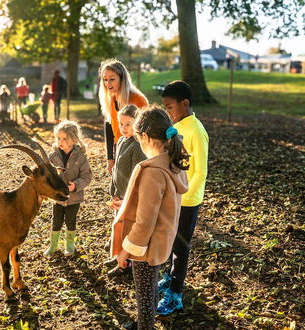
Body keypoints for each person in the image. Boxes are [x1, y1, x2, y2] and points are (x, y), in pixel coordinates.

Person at [110, 106, 189, 330]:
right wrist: (126, 204)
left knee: (144, 297)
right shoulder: (172, 161)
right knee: (152, 289)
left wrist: (127, 250)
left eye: (138, 138)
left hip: (145, 247)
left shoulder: (152, 171)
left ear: (144, 137)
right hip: (162, 241)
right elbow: (158, 206)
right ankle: (146, 322)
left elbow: (145, 222)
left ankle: (145, 326)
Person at [156, 80, 209, 316]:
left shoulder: (196, 131)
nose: (168, 113)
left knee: (181, 247)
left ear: (184, 104)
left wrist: (185, 195)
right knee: (171, 242)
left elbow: (200, 171)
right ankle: (169, 278)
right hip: (173, 198)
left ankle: (175, 295)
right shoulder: (178, 128)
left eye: (170, 108)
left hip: (187, 201)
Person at [105, 104, 146, 277]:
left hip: (129, 198)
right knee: (119, 228)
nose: (124, 128)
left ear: (137, 124)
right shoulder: (121, 141)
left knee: (128, 230)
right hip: (119, 195)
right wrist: (113, 189)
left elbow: (139, 176)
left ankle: (127, 264)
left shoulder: (138, 146)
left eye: (128, 124)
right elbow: (116, 170)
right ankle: (118, 257)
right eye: (121, 124)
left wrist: (130, 198)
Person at [44, 120, 92, 257]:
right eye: (58, 138)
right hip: (58, 197)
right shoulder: (53, 156)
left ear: (73, 139)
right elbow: (48, 175)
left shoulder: (81, 157)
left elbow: (87, 176)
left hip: (74, 197)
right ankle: (53, 246)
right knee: (56, 221)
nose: (61, 141)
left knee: (70, 221)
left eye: (64, 139)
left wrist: (76, 185)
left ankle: (70, 246)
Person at [98, 58, 148, 175]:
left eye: (112, 79)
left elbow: (146, 131)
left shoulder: (138, 100)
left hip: (136, 148)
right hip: (119, 146)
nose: (108, 84)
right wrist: (110, 158)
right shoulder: (110, 98)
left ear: (122, 79)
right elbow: (109, 127)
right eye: (105, 80)